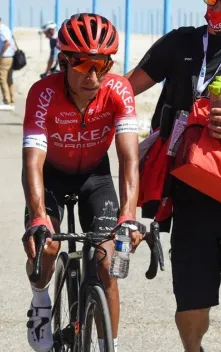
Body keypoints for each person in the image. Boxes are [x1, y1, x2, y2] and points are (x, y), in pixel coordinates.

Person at [125, 1, 221, 351]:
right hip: (189, 194)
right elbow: (125, 90)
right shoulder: (180, 42)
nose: (216, 6)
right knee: (190, 308)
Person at [22, 13, 143, 352]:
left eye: (102, 65)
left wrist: (128, 215)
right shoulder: (42, 94)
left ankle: (110, 345)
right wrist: (38, 216)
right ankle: (40, 301)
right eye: (83, 65)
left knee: (107, 263)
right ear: (64, 61)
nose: (93, 76)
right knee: (46, 244)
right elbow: (32, 160)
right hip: (52, 177)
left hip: (95, 176)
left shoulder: (119, 90)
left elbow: (129, 158)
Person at [0, 17, 15, 111]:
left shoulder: (1, 29)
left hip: (4, 57)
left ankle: (7, 100)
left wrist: (1, 54)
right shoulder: (7, 28)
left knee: (2, 79)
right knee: (9, 79)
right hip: (11, 56)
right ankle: (11, 99)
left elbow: (7, 42)